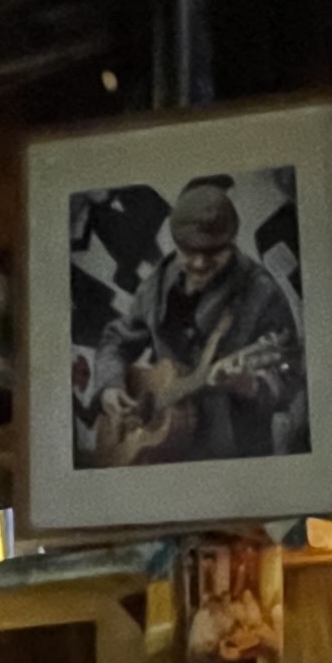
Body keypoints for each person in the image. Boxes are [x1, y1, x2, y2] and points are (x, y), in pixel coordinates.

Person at [92, 179, 302, 464]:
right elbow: (115, 339)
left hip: (234, 455)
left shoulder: (261, 292)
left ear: (231, 242)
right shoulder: (160, 281)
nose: (200, 264)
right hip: (165, 454)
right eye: (189, 251)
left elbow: (290, 377)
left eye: (213, 252)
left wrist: (248, 384)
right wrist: (110, 386)